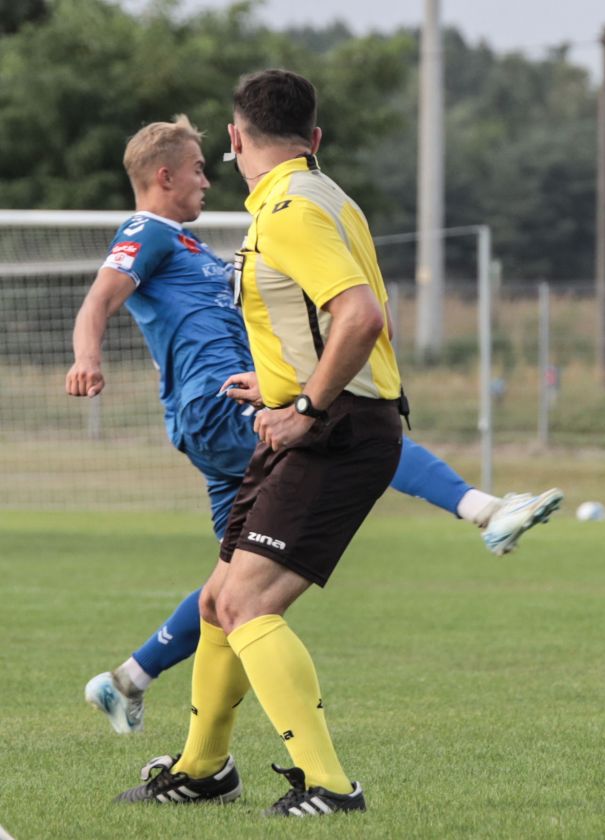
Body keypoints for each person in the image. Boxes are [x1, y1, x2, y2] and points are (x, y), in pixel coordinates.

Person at [67, 113, 563, 738]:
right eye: (197, 169)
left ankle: (128, 680)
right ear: (164, 176)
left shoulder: (192, 247)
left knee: (234, 585)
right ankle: (487, 511)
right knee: (349, 433)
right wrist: (87, 357)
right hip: (214, 407)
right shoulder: (147, 231)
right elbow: (99, 299)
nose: (208, 181)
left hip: (228, 406)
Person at [103, 68, 500, 815]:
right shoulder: (326, 198)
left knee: (247, 604)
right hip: (317, 420)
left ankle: (330, 787)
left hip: (334, 431)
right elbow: (349, 319)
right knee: (219, 600)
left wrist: (308, 404)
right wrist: (283, 382)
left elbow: (361, 318)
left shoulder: (289, 211)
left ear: (234, 138)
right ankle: (203, 770)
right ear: (314, 137)